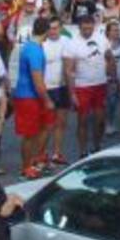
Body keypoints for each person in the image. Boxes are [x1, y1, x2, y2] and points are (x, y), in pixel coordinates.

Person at [12, 17, 53, 179]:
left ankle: (35, 160)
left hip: (30, 95)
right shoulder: (35, 50)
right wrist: (47, 100)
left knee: (42, 128)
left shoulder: (31, 46)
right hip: (28, 97)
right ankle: (26, 168)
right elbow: (37, 79)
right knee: (29, 134)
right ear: (47, 31)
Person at [67, 13, 111, 156]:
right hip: (82, 86)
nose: (87, 32)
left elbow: (109, 57)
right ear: (79, 28)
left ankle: (97, 146)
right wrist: (72, 93)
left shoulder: (102, 39)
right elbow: (69, 70)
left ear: (94, 27)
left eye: (90, 29)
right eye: (84, 29)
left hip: (100, 84)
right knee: (83, 120)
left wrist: (112, 76)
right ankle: (83, 151)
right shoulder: (72, 43)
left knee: (100, 120)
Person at [42, 18, 70, 166]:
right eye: (50, 28)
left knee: (61, 122)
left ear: (60, 28)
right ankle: (42, 154)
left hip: (63, 87)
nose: (53, 31)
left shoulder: (66, 41)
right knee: (47, 124)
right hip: (48, 87)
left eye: (56, 28)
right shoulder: (42, 44)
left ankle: (57, 153)